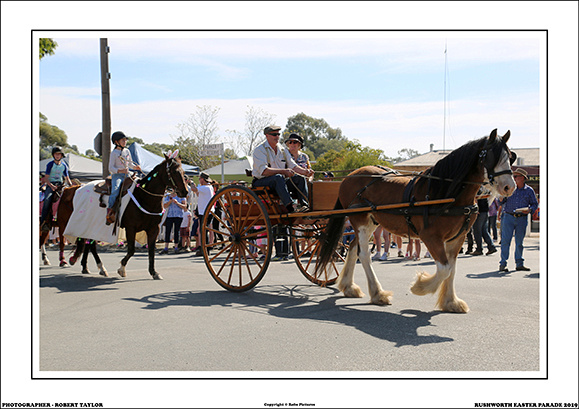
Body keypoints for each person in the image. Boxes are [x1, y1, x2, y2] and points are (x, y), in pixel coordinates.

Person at [252, 126, 314, 213]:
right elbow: (264, 171)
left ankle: (305, 206)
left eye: (278, 134)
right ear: (267, 136)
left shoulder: (282, 150)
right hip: (262, 182)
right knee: (278, 177)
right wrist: (284, 171)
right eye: (274, 134)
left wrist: (306, 172)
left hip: (279, 182)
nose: (277, 137)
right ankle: (290, 207)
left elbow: (293, 166)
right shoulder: (260, 150)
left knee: (300, 178)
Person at [498, 168, 539, 272]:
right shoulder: (509, 188)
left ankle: (519, 264)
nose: (514, 178)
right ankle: (503, 264)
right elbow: (501, 203)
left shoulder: (529, 190)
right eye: (513, 176)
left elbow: (534, 204)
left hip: (522, 218)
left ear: (523, 178)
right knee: (505, 241)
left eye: (516, 176)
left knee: (519, 242)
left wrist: (530, 209)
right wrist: (501, 198)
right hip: (508, 217)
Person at [107, 131, 141, 225]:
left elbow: (129, 163)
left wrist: (135, 167)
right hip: (117, 176)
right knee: (115, 190)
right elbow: (110, 168)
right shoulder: (113, 153)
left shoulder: (127, 151)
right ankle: (110, 211)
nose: (125, 142)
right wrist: (121, 171)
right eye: (123, 140)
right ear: (116, 142)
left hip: (128, 174)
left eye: (125, 140)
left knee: (139, 184)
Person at [40, 146, 72, 229]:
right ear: (53, 155)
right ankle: (43, 222)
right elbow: (46, 178)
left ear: (62, 155)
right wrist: (52, 186)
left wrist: (72, 186)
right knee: (47, 199)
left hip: (61, 184)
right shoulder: (50, 164)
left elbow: (67, 178)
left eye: (59, 154)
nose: (57, 156)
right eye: (56, 154)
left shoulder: (64, 165)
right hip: (51, 185)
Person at [190, 172, 215, 256]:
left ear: (203, 179)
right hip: (205, 211)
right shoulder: (207, 187)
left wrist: (191, 183)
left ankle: (205, 249)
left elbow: (194, 189)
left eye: (200, 178)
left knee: (203, 231)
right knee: (203, 230)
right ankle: (204, 248)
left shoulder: (205, 187)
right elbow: (198, 194)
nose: (199, 180)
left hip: (205, 211)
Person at [284, 133, 313, 206]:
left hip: (303, 183)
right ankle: (305, 205)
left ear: (299, 145)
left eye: (295, 142)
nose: (292, 144)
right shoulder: (284, 155)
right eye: (290, 142)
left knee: (316, 184)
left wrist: (310, 179)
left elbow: (310, 172)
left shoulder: (304, 156)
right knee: (300, 178)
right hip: (288, 182)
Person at [159, 190, 187, 254]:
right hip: (170, 215)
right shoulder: (168, 196)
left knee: (176, 231)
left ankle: (176, 247)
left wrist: (177, 203)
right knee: (168, 231)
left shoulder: (181, 196)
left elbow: (184, 206)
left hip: (178, 215)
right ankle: (166, 247)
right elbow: (164, 205)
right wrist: (170, 201)